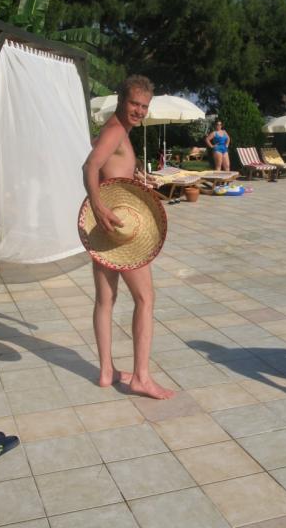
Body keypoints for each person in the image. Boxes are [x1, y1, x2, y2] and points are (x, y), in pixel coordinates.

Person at [82, 75, 175, 400]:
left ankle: (106, 372)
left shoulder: (115, 130)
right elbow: (89, 167)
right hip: (121, 228)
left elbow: (108, 170)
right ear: (121, 100)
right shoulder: (115, 131)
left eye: (144, 106)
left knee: (105, 300)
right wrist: (97, 204)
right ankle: (141, 378)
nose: (139, 111)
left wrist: (135, 177)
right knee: (145, 299)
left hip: (103, 228)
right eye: (135, 103)